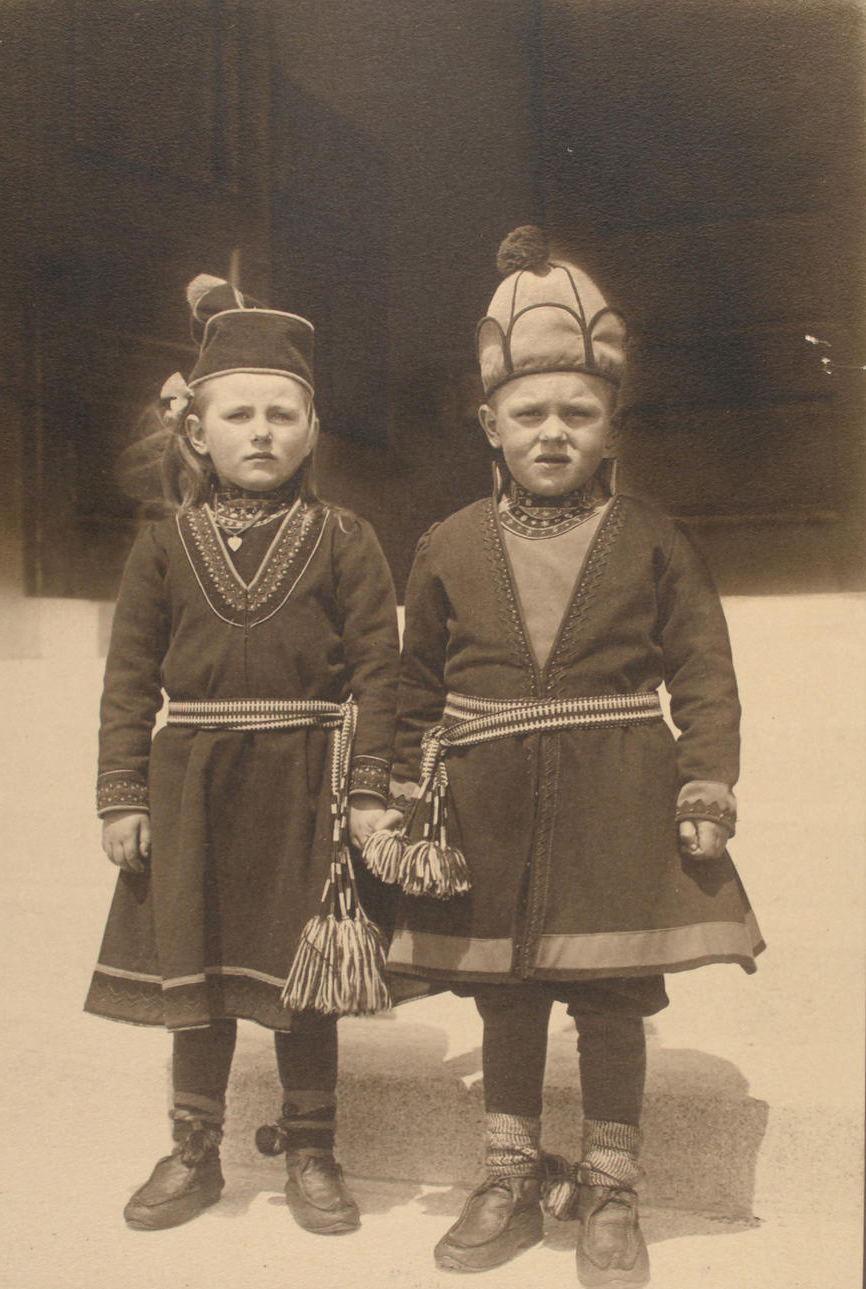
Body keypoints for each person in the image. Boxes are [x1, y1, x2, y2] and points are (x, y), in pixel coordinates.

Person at [364, 227, 764, 1285]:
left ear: (609, 424)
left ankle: (611, 1182)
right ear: (488, 423)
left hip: (618, 800)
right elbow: (409, 688)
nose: (553, 432)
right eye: (530, 414)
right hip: (488, 808)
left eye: (577, 414)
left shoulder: (656, 539)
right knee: (506, 994)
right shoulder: (446, 545)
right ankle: (504, 1169)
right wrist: (397, 792)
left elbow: (705, 673)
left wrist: (705, 780)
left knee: (612, 994)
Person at [85, 274, 399, 1235]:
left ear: (310, 430)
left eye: (281, 413)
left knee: (305, 978)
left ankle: (311, 1148)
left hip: (308, 779)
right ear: (198, 431)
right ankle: (194, 1150)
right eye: (238, 413)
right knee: (200, 973)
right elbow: (131, 679)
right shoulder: (162, 545)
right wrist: (122, 794)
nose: (260, 430)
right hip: (195, 785)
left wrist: (367, 790)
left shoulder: (344, 537)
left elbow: (381, 673)